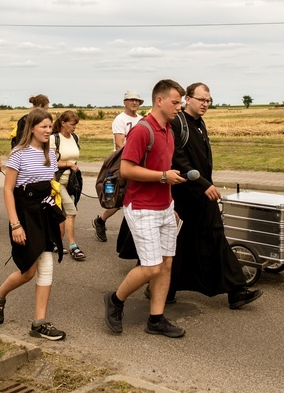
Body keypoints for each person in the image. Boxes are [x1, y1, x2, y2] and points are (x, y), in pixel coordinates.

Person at [103, 79, 188, 339]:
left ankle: (156, 319)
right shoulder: (142, 130)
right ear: (159, 101)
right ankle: (116, 301)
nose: (179, 107)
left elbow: (166, 168)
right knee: (151, 267)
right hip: (142, 208)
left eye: (181, 103)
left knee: (165, 264)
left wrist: (170, 202)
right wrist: (163, 177)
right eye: (175, 102)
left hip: (164, 207)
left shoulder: (168, 130)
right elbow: (127, 169)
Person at [166, 82, 262, 308]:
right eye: (201, 99)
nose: (205, 104)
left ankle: (167, 288)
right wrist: (202, 184)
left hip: (200, 193)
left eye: (208, 101)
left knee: (185, 242)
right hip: (186, 193)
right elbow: (177, 159)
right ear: (187, 99)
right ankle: (236, 290)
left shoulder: (199, 124)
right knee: (210, 236)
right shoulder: (178, 123)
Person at [0, 108, 67, 340]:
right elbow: (7, 189)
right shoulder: (18, 153)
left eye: (50, 126)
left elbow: (51, 186)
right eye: (43, 126)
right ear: (32, 128)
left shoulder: (51, 154)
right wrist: (14, 224)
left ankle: (38, 323)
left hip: (45, 213)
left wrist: (58, 216)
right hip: (24, 215)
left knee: (47, 266)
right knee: (28, 271)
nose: (47, 130)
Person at [92, 89, 144, 242]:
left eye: (137, 100)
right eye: (131, 100)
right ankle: (101, 221)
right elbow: (120, 144)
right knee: (119, 198)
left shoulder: (142, 120)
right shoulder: (120, 120)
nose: (134, 103)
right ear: (125, 102)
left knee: (133, 198)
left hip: (140, 163)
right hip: (123, 163)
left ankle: (130, 234)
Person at [51, 110, 85, 260]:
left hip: (72, 182)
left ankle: (55, 242)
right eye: (72, 125)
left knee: (63, 214)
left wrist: (73, 167)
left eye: (76, 125)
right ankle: (73, 246)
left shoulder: (75, 137)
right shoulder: (54, 139)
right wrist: (68, 164)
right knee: (71, 211)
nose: (74, 128)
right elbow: (50, 163)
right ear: (63, 123)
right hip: (58, 182)